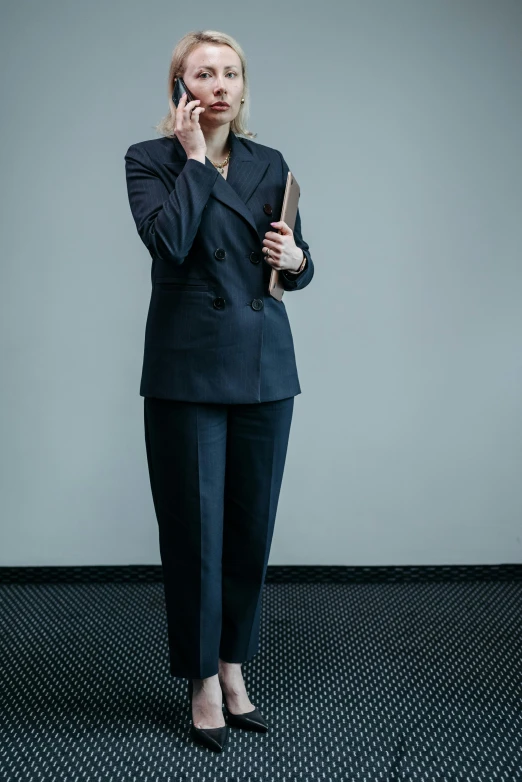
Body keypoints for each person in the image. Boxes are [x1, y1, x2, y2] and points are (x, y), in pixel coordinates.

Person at [124, 30, 314, 752]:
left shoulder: (271, 162)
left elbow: (298, 262)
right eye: (203, 73)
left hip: (265, 364)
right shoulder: (150, 162)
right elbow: (169, 244)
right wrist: (197, 163)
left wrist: (297, 260)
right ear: (179, 87)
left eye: (230, 72)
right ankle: (202, 681)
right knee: (195, 536)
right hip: (187, 369)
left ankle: (234, 667)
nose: (220, 84)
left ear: (243, 85)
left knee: (247, 531)